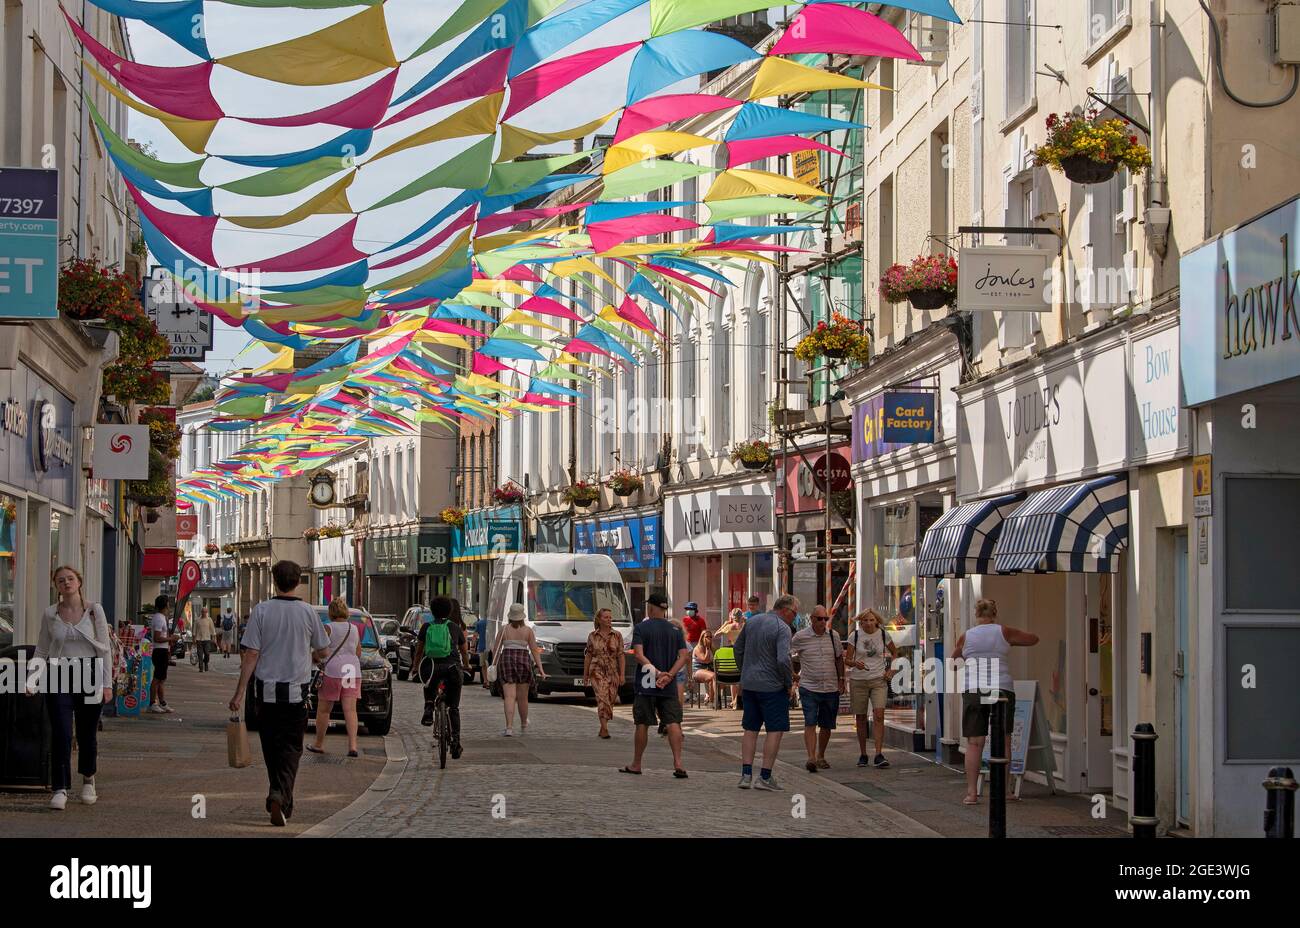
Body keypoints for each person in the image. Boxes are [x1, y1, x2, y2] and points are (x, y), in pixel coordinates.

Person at [229, 560, 330, 827]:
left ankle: (279, 796)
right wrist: (315, 656)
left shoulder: (261, 611)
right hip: (296, 694)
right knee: (292, 749)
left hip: (266, 693)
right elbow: (323, 651)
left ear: (274, 581)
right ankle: (280, 796)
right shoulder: (308, 613)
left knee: (271, 748)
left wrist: (239, 693)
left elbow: (251, 653)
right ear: (298, 582)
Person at [31, 566, 112, 810]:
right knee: (62, 733)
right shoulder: (50, 613)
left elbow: (104, 649)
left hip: (89, 672)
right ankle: (60, 788)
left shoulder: (94, 611)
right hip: (58, 672)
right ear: (56, 586)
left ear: (79, 582)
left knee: (87, 732)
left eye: (70, 579)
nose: (66, 583)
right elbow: (42, 649)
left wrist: (107, 684)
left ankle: (88, 779)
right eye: (60, 580)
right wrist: (32, 679)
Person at [952, 598, 1039, 805]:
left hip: (973, 689)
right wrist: (1008, 641)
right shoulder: (1004, 631)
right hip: (1001, 688)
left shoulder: (967, 636)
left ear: (976, 614)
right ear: (995, 613)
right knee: (1003, 740)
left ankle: (972, 793)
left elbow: (954, 662)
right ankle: (1005, 790)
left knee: (974, 743)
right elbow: (1033, 639)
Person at [620, 589, 688, 778]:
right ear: (664, 609)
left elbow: (639, 655)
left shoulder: (642, 628)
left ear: (651, 608)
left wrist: (657, 673)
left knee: (642, 723)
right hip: (668, 685)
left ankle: (637, 763)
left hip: (646, 682)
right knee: (673, 722)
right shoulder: (675, 630)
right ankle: (678, 763)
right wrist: (669, 675)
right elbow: (684, 656)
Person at [734, 594, 798, 790]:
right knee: (774, 730)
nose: (794, 617)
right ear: (786, 610)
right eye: (794, 613)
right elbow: (782, 660)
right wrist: (788, 683)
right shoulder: (782, 628)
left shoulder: (753, 621)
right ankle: (765, 776)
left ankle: (745, 775)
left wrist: (744, 671)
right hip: (772, 686)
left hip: (750, 684)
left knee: (750, 729)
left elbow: (737, 648)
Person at [790, 604, 845, 773]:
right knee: (810, 721)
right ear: (812, 619)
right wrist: (793, 675)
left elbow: (838, 659)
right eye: (820, 619)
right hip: (809, 686)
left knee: (827, 724)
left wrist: (841, 680)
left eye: (825, 619)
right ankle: (811, 757)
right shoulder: (800, 637)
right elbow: (787, 655)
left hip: (830, 686)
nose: (823, 622)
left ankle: (821, 755)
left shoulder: (833, 635)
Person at [307, 598, 363, 757]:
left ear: (331, 613)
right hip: (351, 670)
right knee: (351, 710)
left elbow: (320, 650)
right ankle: (353, 746)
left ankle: (318, 743)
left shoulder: (328, 628)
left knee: (324, 709)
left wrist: (315, 659)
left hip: (333, 671)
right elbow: (358, 652)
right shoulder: (354, 629)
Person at [415, 596, 470, 757]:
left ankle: (429, 707)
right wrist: (466, 665)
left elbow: (419, 651)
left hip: (431, 667)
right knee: (454, 707)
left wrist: (415, 666)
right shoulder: (454, 627)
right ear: (449, 611)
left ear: (432, 611)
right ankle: (456, 743)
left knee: (429, 685)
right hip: (452, 668)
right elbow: (464, 651)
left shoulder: (426, 627)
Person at [844, 609, 899, 769]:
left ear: (876, 621)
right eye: (865, 620)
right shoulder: (854, 636)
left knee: (879, 715)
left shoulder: (883, 635)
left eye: (871, 620)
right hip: (858, 680)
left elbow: (895, 652)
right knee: (860, 718)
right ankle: (863, 754)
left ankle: (878, 754)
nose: (868, 623)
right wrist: (855, 663)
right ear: (860, 622)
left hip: (878, 680)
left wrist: (892, 670)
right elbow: (847, 659)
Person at [491, 603, 545, 737]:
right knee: (523, 697)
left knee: (509, 696)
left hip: (507, 660)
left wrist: (493, 665)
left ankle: (509, 727)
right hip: (523, 661)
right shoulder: (528, 631)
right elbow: (534, 651)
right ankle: (523, 723)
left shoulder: (504, 630)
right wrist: (541, 669)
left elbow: (496, 650)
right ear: (522, 616)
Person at [583, 607, 625, 739]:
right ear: (599, 620)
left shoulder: (617, 635)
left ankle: (602, 727)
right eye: (606, 617)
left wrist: (622, 674)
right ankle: (605, 729)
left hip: (612, 671)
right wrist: (585, 675)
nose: (609, 620)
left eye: (610, 617)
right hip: (596, 671)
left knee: (610, 699)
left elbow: (621, 656)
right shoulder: (592, 636)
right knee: (602, 697)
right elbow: (588, 656)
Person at [147, 595, 176, 713]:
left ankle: (162, 702)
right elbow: (157, 637)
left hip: (162, 650)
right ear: (165, 604)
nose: (169, 605)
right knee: (157, 678)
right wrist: (171, 638)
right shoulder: (159, 618)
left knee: (161, 678)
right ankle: (152, 703)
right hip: (159, 651)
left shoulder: (161, 617)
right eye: (168, 603)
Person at [715, 608, 746, 710]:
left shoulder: (730, 626)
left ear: (731, 617)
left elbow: (716, 634)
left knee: (733, 673)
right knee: (740, 675)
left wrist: (725, 624)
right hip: (743, 651)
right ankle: (737, 700)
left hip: (733, 650)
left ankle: (734, 700)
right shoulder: (744, 626)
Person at [691, 629, 717, 707]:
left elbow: (715, 659)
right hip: (697, 671)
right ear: (702, 638)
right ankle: (713, 701)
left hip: (708, 670)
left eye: (710, 637)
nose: (709, 638)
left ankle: (711, 700)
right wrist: (707, 648)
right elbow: (705, 660)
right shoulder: (698, 648)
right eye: (706, 637)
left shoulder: (712, 647)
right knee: (713, 676)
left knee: (716, 678)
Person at [192, 608, 215, 672]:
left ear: (207, 612)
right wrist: (194, 639)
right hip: (199, 639)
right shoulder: (197, 620)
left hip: (207, 639)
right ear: (201, 612)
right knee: (200, 654)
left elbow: (212, 629)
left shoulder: (209, 619)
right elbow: (194, 630)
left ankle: (206, 663)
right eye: (203, 612)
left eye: (205, 612)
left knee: (207, 653)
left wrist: (213, 638)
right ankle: (201, 667)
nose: (204, 613)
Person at [474, 612, 490, 689]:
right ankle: (490, 681)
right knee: (489, 664)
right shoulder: (492, 623)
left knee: (483, 665)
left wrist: (473, 647)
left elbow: (475, 635)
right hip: (490, 647)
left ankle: (485, 681)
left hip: (482, 647)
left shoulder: (480, 623)